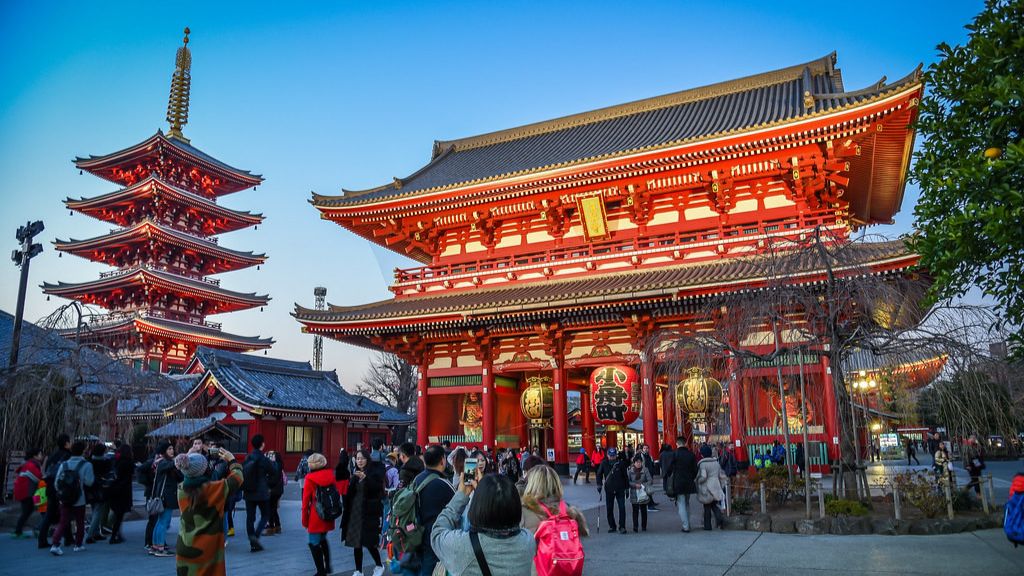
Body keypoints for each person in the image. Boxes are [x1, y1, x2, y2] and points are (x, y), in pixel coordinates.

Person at [431, 468, 535, 576]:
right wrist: (486, 493)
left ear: (478, 507)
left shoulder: (464, 546)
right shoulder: (528, 540)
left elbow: (437, 533)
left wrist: (462, 495)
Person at [174, 444, 243, 576]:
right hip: (208, 548)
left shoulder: (181, 489)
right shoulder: (216, 488)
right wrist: (232, 460)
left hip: (185, 544)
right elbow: (238, 477)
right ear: (205, 470)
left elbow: (189, 470)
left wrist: (188, 456)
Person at [520, 465, 589, 549]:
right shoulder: (568, 510)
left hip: (536, 561)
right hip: (565, 561)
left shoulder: (523, 512)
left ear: (531, 484)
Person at [414, 445, 456, 576]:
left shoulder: (417, 479)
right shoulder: (444, 483)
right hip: (436, 536)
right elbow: (456, 507)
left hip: (417, 531)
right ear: (443, 460)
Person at [50, 440, 95, 555]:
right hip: (79, 499)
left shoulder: (64, 464)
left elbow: (57, 483)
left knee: (63, 522)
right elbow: (90, 482)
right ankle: (78, 544)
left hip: (64, 498)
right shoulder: (86, 465)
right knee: (80, 522)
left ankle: (55, 544)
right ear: (83, 451)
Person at [346, 449, 386, 576]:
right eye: (357, 458)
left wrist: (366, 478)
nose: (360, 461)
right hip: (356, 512)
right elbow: (350, 493)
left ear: (367, 459)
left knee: (369, 542)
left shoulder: (374, 472)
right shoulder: (355, 474)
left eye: (362, 458)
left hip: (369, 512)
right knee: (356, 543)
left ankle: (379, 565)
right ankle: (358, 570)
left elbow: (377, 489)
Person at [302, 453, 336, 576]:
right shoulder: (330, 475)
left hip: (316, 516)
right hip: (328, 513)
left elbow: (305, 502)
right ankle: (327, 566)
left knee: (313, 542)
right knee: (322, 539)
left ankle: (320, 571)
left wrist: (305, 520)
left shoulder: (310, 479)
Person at [38, 434, 71, 550]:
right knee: (66, 512)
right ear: (66, 443)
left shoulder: (53, 455)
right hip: (62, 489)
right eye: (69, 441)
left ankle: (42, 539)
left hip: (51, 488)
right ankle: (68, 538)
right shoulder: (67, 455)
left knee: (49, 515)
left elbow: (46, 471)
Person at [242, 434, 274, 552]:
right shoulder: (263, 459)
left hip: (249, 491)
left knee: (250, 517)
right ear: (262, 444)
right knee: (265, 514)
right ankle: (255, 535)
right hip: (261, 491)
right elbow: (273, 471)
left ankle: (252, 542)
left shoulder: (248, 458)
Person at [150, 441, 181, 557]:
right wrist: (185, 456)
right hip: (165, 497)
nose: (172, 451)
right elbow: (173, 465)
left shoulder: (164, 463)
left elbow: (179, 476)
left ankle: (156, 546)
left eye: (172, 448)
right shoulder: (163, 462)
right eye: (169, 449)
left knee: (160, 522)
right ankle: (160, 548)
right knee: (163, 522)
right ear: (163, 452)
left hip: (164, 497)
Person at [12, 447, 43, 539]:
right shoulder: (31, 465)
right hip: (27, 492)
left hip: (26, 492)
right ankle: (18, 531)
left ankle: (20, 530)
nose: (41, 456)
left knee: (29, 510)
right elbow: (39, 477)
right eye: (40, 454)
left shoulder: (28, 464)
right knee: (28, 511)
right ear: (35, 456)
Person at [668, 439, 697, 533]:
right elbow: (695, 470)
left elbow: (669, 469)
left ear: (677, 444)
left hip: (678, 482)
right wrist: (692, 477)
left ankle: (686, 526)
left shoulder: (675, 454)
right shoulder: (691, 454)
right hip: (689, 482)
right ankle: (688, 523)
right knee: (687, 503)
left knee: (681, 504)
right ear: (685, 443)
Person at [107, 444, 134, 544]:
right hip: (123, 490)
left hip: (114, 489)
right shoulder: (128, 462)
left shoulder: (116, 461)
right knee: (119, 515)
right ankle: (114, 535)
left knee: (117, 513)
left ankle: (115, 533)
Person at [86, 443, 113, 543]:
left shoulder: (89, 461)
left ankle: (96, 532)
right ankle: (90, 535)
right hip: (101, 488)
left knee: (94, 509)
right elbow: (109, 474)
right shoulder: (106, 462)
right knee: (98, 511)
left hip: (90, 488)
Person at [597, 447, 628, 534]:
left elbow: (625, 476)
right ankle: (612, 525)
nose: (612, 457)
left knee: (622, 508)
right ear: (607, 455)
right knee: (609, 508)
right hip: (609, 489)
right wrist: (599, 484)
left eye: (613, 456)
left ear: (616, 455)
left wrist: (627, 488)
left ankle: (622, 526)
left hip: (620, 488)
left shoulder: (620, 463)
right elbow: (599, 474)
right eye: (610, 456)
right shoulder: (604, 463)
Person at [696, 445, 726, 530]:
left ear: (702, 454)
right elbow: (721, 475)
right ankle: (720, 520)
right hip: (716, 485)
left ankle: (707, 526)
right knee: (714, 505)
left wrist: (698, 481)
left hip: (706, 487)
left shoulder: (703, 464)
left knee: (707, 507)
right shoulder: (716, 463)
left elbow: (703, 476)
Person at [628, 455, 652, 532]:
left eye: (640, 462)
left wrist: (642, 485)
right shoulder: (630, 471)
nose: (638, 464)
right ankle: (635, 527)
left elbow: (650, 480)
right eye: (637, 462)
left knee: (643, 510)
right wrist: (635, 485)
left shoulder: (645, 470)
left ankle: (644, 526)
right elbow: (627, 482)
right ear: (634, 463)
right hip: (634, 493)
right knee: (635, 510)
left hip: (643, 492)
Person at [265, 450, 285, 535]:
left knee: (270, 509)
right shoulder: (279, 465)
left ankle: (271, 527)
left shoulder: (274, 465)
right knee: (273, 508)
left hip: (272, 490)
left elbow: (272, 480)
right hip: (278, 490)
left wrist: (267, 485)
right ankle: (277, 526)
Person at [335, 448, 352, 541]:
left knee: (345, 505)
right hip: (346, 486)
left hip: (341, 486)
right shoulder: (345, 465)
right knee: (347, 505)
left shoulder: (339, 466)